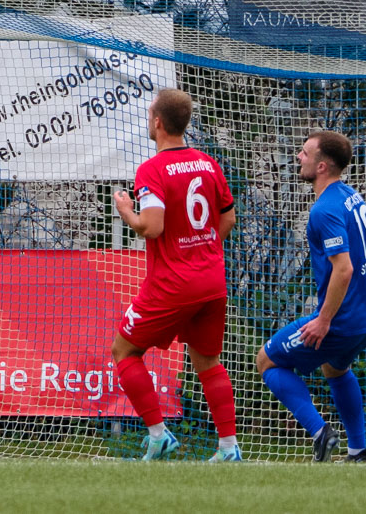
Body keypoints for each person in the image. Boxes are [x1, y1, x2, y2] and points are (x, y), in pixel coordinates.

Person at [111, 88, 240, 462]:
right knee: (208, 362)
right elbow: (227, 217)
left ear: (157, 122)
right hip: (212, 280)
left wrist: (125, 209)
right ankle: (229, 448)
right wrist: (202, 246)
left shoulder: (152, 170)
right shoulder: (208, 163)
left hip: (173, 283)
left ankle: (158, 434)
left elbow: (150, 227)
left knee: (124, 351)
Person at [256, 131, 366, 462]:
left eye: (304, 153)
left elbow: (344, 269)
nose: (298, 157)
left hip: (341, 321)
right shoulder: (353, 198)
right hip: (364, 317)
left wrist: (324, 319)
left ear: (322, 166)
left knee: (266, 360)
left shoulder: (324, 210)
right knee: (335, 369)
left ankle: (319, 432)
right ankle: (358, 451)